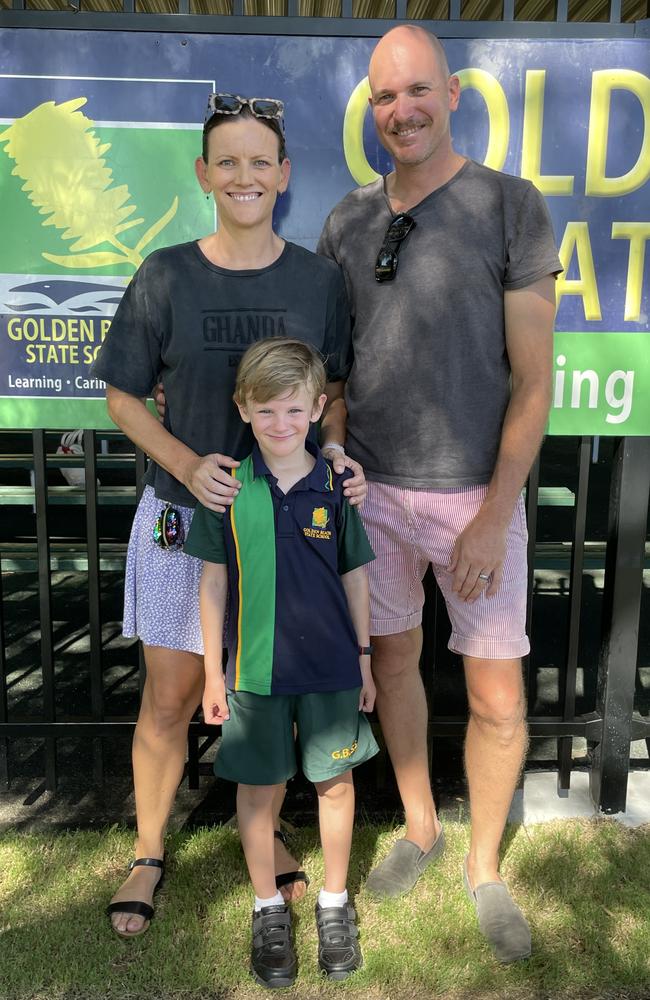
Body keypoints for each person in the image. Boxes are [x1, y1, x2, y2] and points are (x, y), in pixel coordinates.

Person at [317, 25, 562, 963]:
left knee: (497, 695)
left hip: (474, 500)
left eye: (416, 90)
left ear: (452, 93)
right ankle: (420, 825)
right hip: (373, 496)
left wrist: (497, 512)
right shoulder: (345, 222)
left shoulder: (510, 206)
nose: (401, 111)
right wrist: (338, 461)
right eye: (384, 98)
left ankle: (486, 869)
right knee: (397, 667)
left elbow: (533, 380)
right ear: (372, 112)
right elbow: (334, 378)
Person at [92, 92, 363, 937]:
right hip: (185, 517)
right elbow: (121, 398)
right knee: (173, 693)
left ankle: (268, 830)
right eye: (228, 162)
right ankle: (148, 850)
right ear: (204, 173)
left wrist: (336, 458)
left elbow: (336, 395)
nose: (244, 176)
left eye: (261, 162)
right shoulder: (165, 274)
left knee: (271, 687)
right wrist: (186, 464)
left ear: (284, 176)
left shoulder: (321, 281)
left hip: (286, 533)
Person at [184, 337, 378, 988]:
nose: (281, 424)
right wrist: (213, 672)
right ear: (243, 409)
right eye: (266, 411)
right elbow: (212, 583)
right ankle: (269, 907)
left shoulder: (336, 484)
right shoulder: (228, 488)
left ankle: (332, 903)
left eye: (295, 411)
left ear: (318, 408)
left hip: (331, 669)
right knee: (259, 791)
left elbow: (355, 577)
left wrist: (365, 657)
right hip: (257, 674)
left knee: (336, 786)